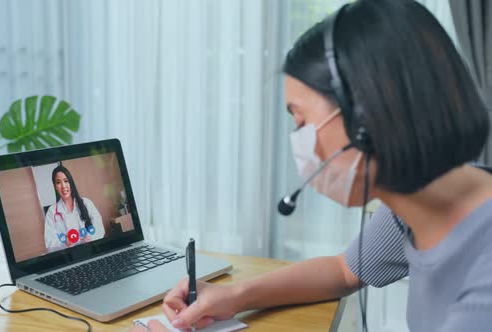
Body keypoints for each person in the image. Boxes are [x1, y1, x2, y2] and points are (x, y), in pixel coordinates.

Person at [130, 0, 492, 331]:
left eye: (301, 121)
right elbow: (343, 270)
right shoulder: (417, 203)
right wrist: (235, 297)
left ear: (366, 119)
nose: (299, 141)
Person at [44, 165, 105, 251]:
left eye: (66, 181)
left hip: (92, 250)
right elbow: (49, 244)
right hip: (70, 257)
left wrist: (91, 237)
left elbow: (100, 228)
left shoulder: (86, 203)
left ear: (71, 182)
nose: (63, 186)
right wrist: (64, 244)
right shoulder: (52, 212)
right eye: (58, 182)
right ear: (55, 186)